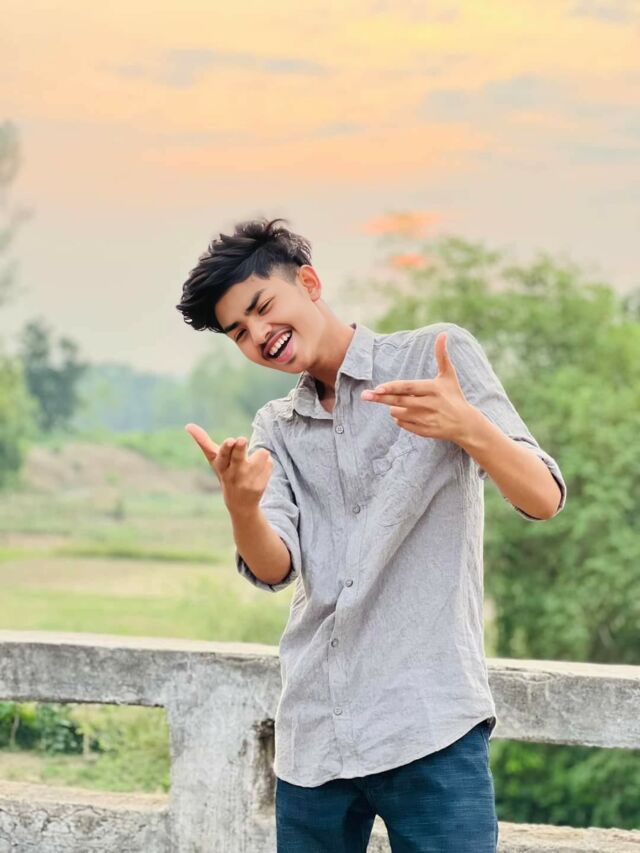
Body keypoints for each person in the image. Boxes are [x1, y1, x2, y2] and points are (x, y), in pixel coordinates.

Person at [176, 217, 567, 853]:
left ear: (309, 282)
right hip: (313, 733)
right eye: (239, 332)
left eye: (262, 307)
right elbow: (274, 568)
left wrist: (468, 426)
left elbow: (543, 498)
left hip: (430, 722)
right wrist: (241, 506)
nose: (259, 335)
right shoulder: (275, 426)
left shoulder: (434, 357)